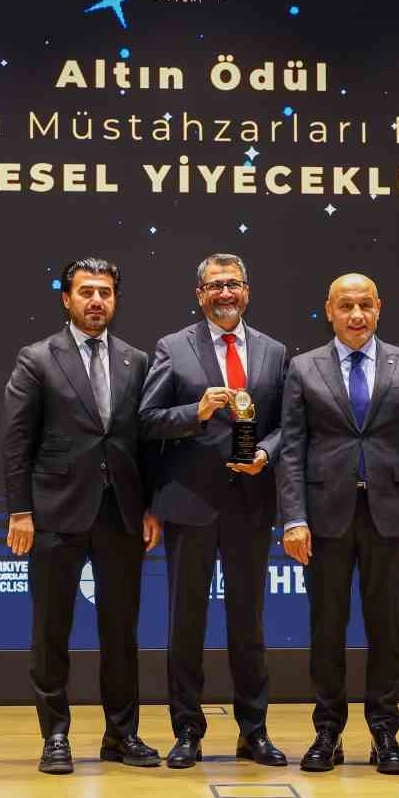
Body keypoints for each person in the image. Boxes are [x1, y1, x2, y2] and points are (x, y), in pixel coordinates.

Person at [1, 257, 163, 774]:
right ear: (66, 299)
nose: (96, 301)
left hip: (121, 514)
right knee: (52, 630)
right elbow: (16, 441)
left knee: (121, 633)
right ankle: (55, 735)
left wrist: (151, 506)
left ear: (116, 299)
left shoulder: (136, 361)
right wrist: (20, 510)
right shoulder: (37, 358)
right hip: (54, 513)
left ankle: (122, 734)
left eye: (105, 292)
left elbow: (146, 442)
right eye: (87, 291)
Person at [277, 273, 399, 774]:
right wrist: (294, 518)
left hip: (390, 518)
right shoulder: (304, 367)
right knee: (327, 629)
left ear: (379, 307)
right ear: (329, 310)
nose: (356, 315)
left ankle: (384, 732)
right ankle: (327, 732)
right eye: (346, 305)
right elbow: (291, 449)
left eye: (365, 305)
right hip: (325, 519)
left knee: (386, 630)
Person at [139, 253, 290, 769]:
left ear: (247, 291)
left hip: (251, 502)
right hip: (190, 503)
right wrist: (196, 411)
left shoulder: (273, 351)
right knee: (187, 623)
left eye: (234, 284)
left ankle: (255, 731)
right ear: (199, 294)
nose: (226, 293)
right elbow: (147, 420)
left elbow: (288, 423)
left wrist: (265, 452)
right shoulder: (172, 347)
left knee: (249, 623)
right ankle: (187, 732)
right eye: (215, 285)